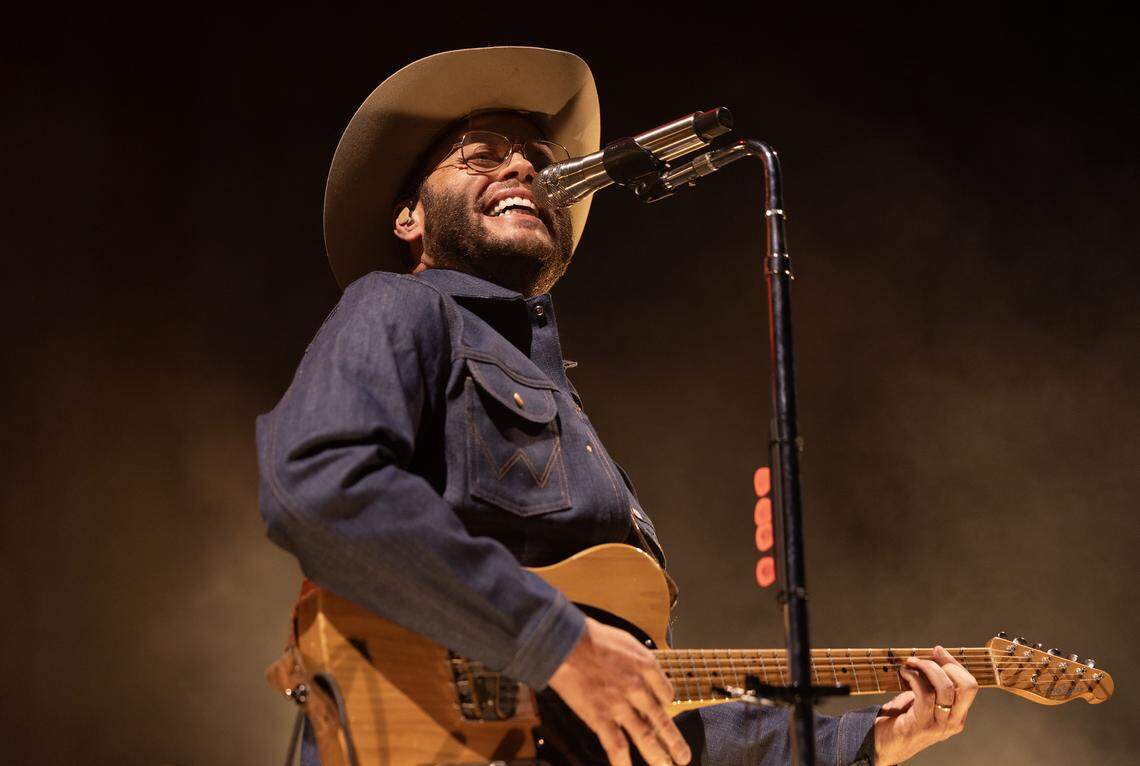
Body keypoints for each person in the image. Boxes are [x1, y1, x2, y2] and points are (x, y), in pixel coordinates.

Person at [256, 46, 978, 765]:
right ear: (408, 217)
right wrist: (554, 640)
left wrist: (871, 738)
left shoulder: (568, 410)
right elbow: (322, 485)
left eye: (538, 160)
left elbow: (659, 735)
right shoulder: (398, 305)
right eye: (481, 154)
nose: (523, 170)